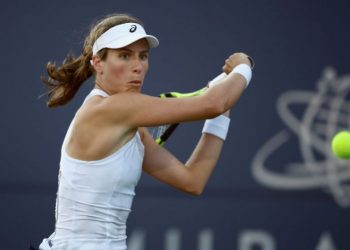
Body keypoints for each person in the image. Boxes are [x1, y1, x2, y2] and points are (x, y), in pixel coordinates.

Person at [38, 13, 253, 250]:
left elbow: (193, 181)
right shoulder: (111, 108)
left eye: (143, 56)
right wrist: (243, 66)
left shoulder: (132, 128)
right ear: (98, 62)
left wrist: (223, 111)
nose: (138, 67)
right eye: (124, 56)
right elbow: (214, 104)